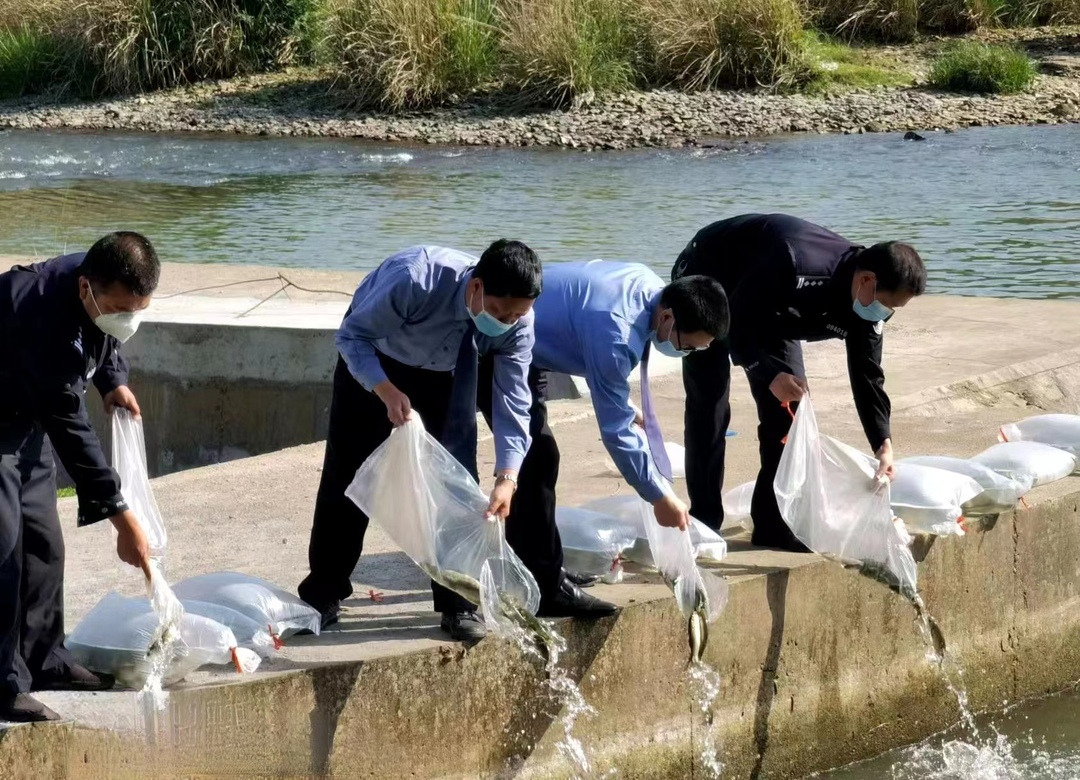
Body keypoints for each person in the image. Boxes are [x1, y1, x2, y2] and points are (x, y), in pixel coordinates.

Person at [298, 241, 542, 645]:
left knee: (456, 480)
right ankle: (323, 592)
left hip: (451, 370)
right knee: (349, 474)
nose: (509, 321)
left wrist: (509, 476)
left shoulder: (520, 322)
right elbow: (352, 337)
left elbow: (514, 398)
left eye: (519, 315)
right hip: (377, 359)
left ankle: (457, 603)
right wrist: (386, 391)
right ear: (477, 287)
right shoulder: (415, 279)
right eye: (501, 313)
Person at [476, 260, 729, 616]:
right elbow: (616, 433)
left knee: (541, 459)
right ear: (669, 318)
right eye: (688, 346)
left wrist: (621, 403)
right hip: (494, 346)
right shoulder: (615, 329)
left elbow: (609, 375)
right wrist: (658, 496)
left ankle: (541, 567)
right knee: (538, 458)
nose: (686, 353)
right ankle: (545, 588)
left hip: (535, 353)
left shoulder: (648, 288)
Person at [671, 213, 927, 550]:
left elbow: (868, 375)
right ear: (866, 280)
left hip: (773, 309)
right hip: (711, 278)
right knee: (710, 405)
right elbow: (738, 319)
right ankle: (704, 520)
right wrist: (767, 372)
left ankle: (772, 524)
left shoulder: (866, 307)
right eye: (887, 304)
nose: (885, 313)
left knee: (790, 410)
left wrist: (883, 442)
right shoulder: (794, 261)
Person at [0, 232, 157, 723]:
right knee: (3, 550)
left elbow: (104, 335)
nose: (126, 318)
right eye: (119, 308)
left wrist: (114, 381)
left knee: (45, 543)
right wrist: (120, 516)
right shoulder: (40, 316)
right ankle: (2, 684)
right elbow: (71, 428)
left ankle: (46, 658)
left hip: (26, 412)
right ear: (88, 287)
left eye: (136, 309)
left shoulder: (95, 283)